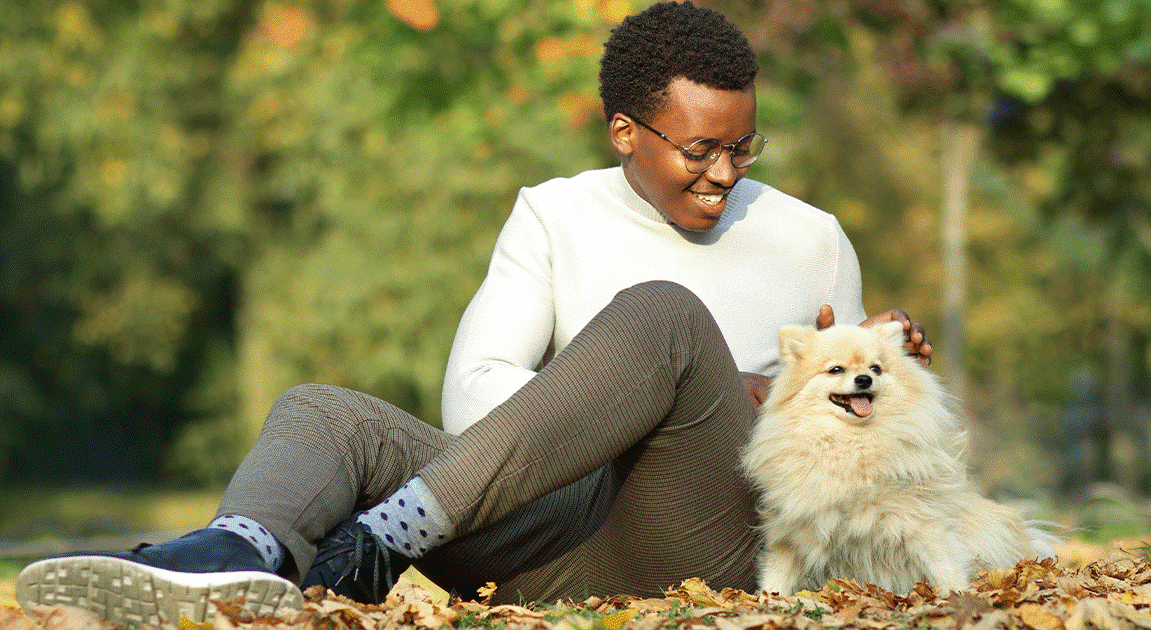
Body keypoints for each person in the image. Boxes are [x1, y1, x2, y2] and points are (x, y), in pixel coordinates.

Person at [16, 1, 932, 626]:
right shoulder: (554, 212)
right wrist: (616, 408)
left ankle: (375, 546)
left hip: (715, 533)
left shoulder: (810, 238)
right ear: (625, 131)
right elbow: (475, 395)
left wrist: (875, 380)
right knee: (325, 412)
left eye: (743, 146)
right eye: (701, 149)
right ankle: (235, 555)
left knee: (663, 316)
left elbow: (849, 474)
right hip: (556, 539)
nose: (726, 174)